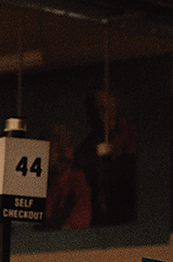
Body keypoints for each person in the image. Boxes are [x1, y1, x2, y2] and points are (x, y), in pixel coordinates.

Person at [76, 90, 137, 226]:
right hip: (99, 220)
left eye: (104, 109)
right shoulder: (85, 149)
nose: (100, 116)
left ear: (114, 108)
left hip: (128, 214)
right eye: (94, 112)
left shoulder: (134, 133)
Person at [45, 125, 92, 230]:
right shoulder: (42, 182)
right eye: (56, 146)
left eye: (66, 145)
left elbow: (81, 218)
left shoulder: (76, 179)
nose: (59, 152)